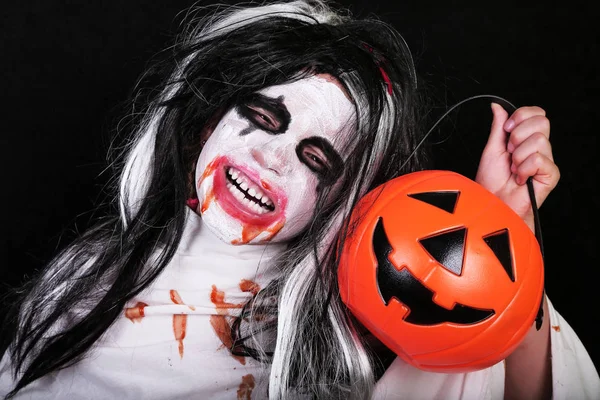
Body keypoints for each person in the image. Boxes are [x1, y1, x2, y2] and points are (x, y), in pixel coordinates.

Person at [1, 0, 598, 399]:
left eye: (317, 160)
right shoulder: (88, 268)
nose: (271, 159)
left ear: (341, 201)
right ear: (206, 121)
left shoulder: (347, 332)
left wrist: (496, 238)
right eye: (262, 117)